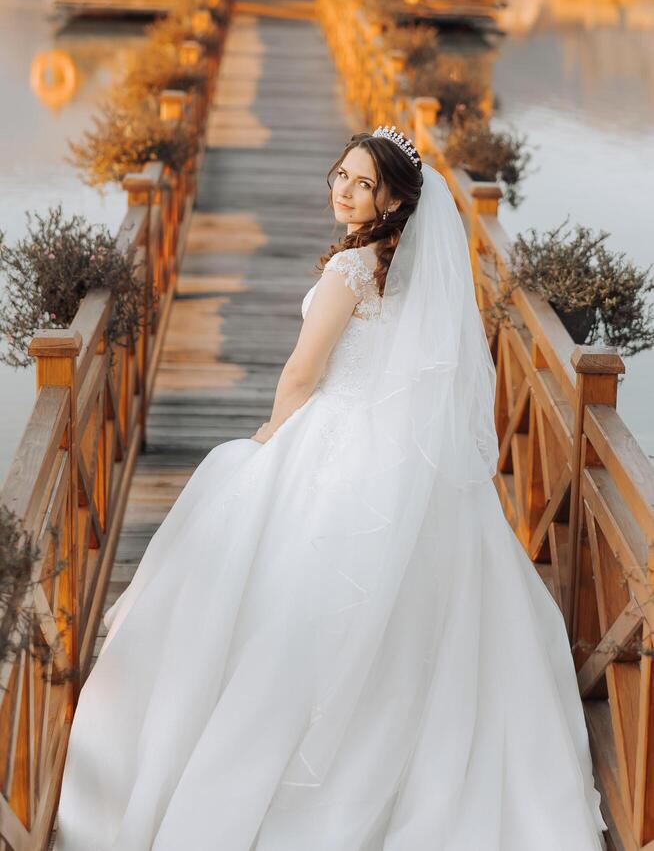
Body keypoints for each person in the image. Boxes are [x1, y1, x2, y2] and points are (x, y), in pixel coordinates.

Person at [54, 128, 608, 850]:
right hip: (396, 452)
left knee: (260, 567)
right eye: (340, 175)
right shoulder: (402, 267)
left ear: (394, 200)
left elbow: (301, 374)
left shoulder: (352, 269)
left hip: (335, 433)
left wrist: (270, 439)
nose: (343, 191)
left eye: (362, 184)